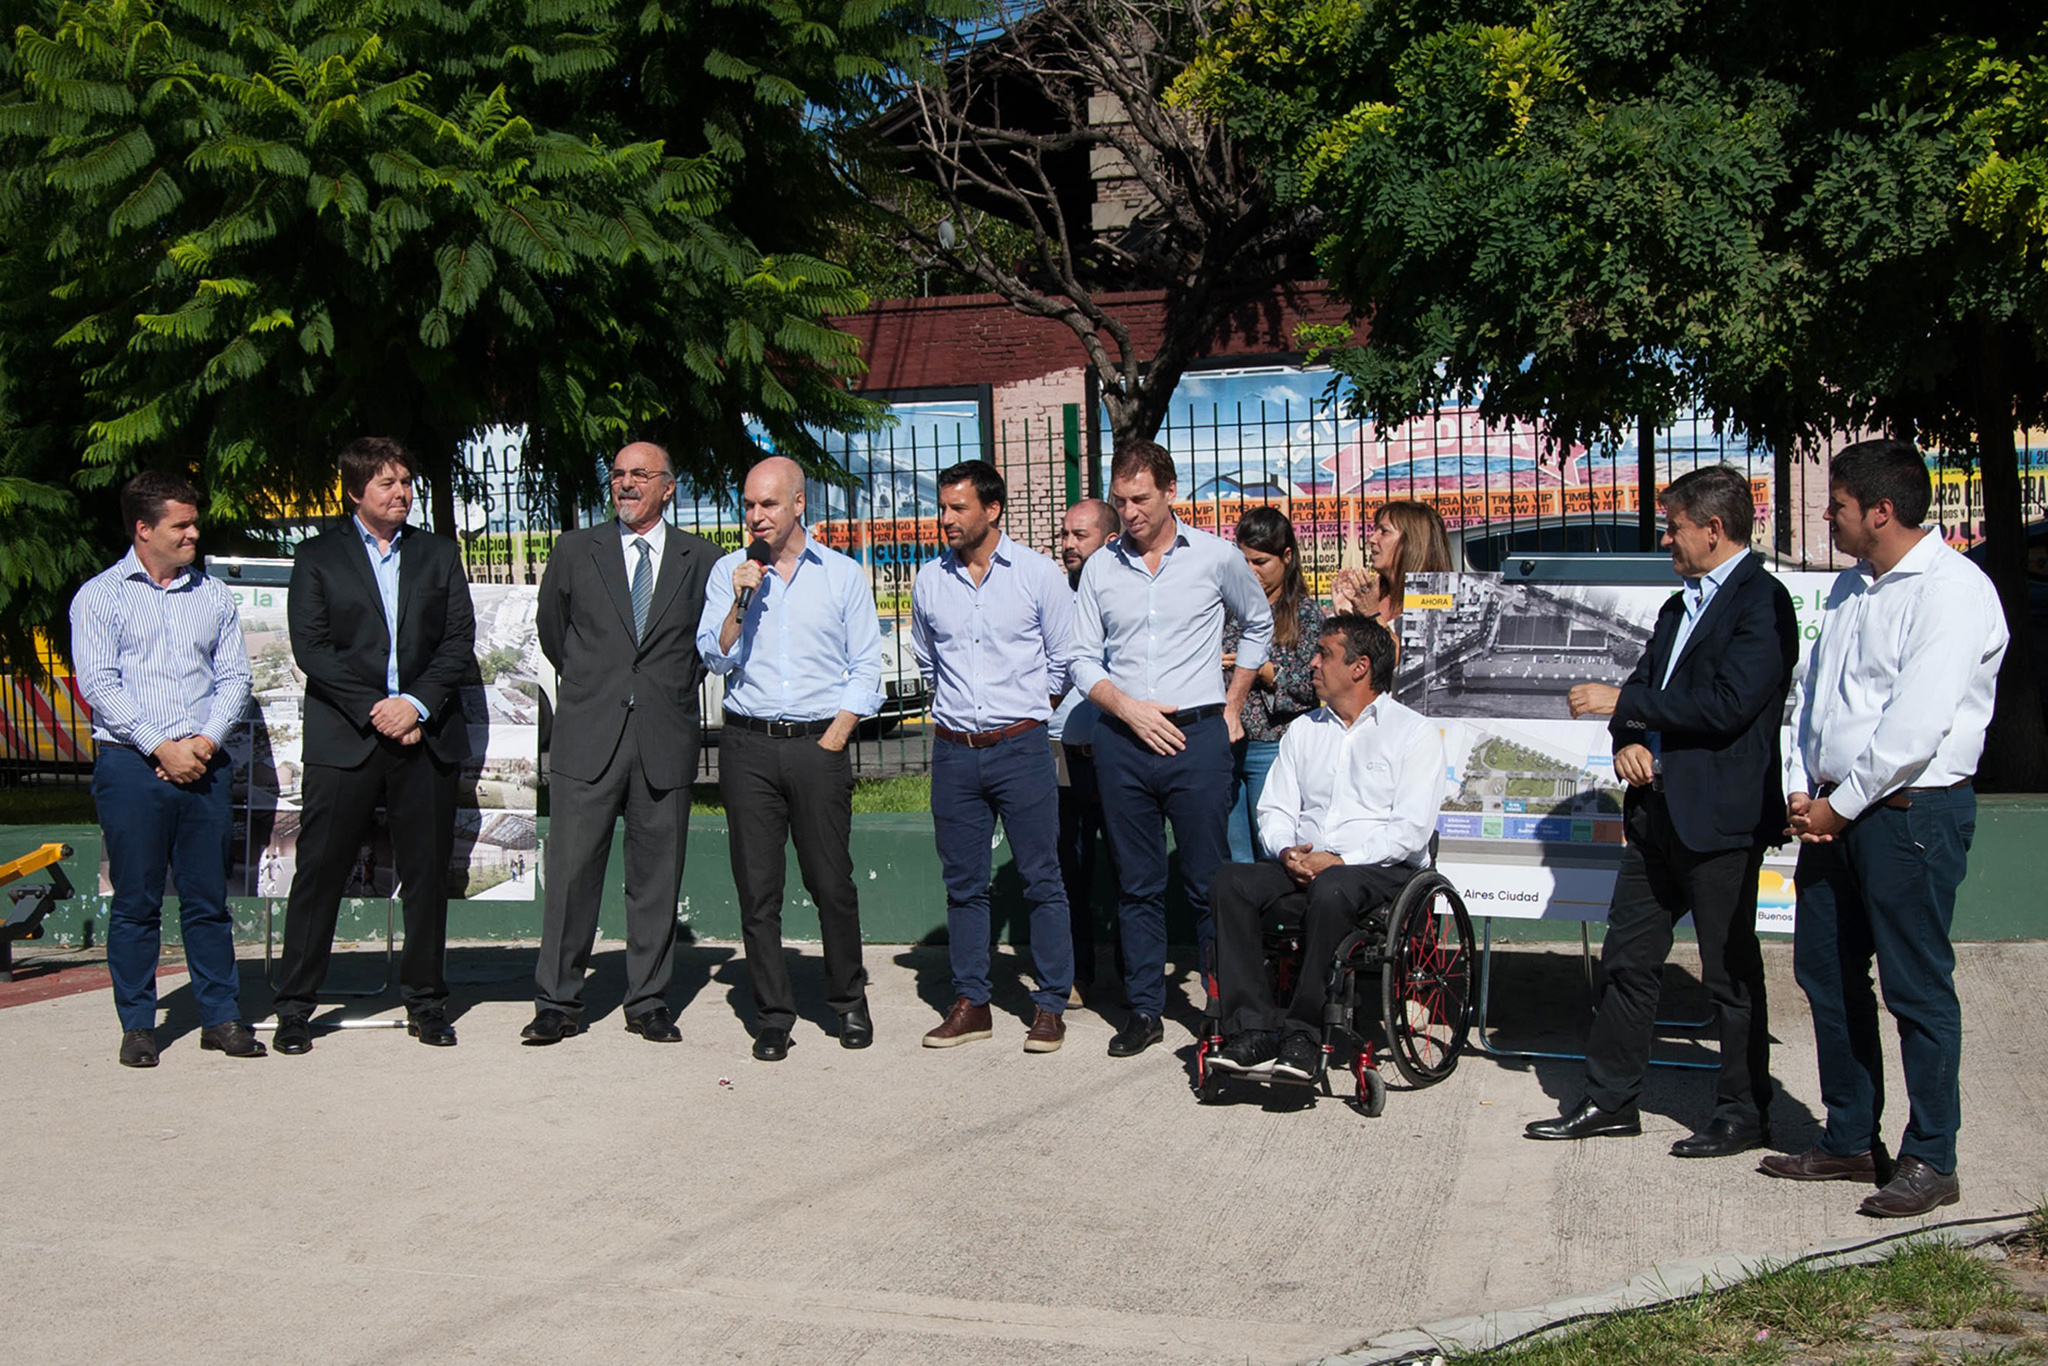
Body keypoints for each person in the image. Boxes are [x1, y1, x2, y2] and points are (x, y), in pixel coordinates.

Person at [1524, 465, 1798, 1157]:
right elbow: (1645, 688)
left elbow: (1731, 705)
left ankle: (1742, 1111)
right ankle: (1612, 1099)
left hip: (1720, 821)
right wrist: (1628, 742)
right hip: (1656, 817)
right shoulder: (1679, 608)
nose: (1666, 539)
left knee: (1729, 975)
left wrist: (1627, 707)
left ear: (1713, 529)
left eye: (1674, 527)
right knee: (1627, 961)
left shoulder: (1762, 603)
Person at [1768, 439, 2007, 1218]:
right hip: (1835, 811)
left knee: (1915, 987)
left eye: (1837, 505)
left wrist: (1844, 803)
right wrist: (1806, 786)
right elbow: (1815, 695)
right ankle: (1848, 1137)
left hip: (1908, 816)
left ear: (1882, 510)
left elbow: (1915, 725)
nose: (1828, 516)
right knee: (1826, 977)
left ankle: (1932, 1157)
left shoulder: (1952, 592)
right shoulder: (1850, 587)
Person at [1070, 439, 1273, 1057]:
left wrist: (1234, 704)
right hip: (1124, 740)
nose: (1128, 512)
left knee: (1208, 880)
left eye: (1140, 499)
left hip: (1198, 735)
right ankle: (1144, 1009)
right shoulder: (1102, 567)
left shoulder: (1215, 558)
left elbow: (1258, 623)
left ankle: (1222, 1004)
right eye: (1120, 500)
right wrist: (1126, 708)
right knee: (1135, 882)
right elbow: (1081, 657)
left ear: (1170, 492)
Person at [272, 438, 476, 1053]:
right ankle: (295, 1007)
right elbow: (313, 651)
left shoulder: (438, 554)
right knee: (319, 874)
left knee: (425, 876)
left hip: (425, 736)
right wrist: (377, 710)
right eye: (387, 483)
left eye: (407, 482)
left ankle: (427, 1003)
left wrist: (413, 704)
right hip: (347, 739)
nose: (402, 493)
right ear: (356, 491)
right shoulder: (317, 557)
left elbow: (457, 639)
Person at [520, 441, 720, 1045]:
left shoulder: (702, 558)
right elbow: (554, 633)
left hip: (664, 736)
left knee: (656, 878)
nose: (626, 484)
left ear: (668, 486)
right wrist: (598, 687)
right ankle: (557, 1002)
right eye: (617, 475)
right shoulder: (576, 551)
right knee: (572, 874)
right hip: (588, 736)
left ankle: (649, 1001)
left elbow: (706, 647)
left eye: (640, 475)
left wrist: (656, 692)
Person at [72, 470, 266, 1067]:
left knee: (208, 901)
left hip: (203, 762)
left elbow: (235, 676)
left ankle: (221, 1018)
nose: (193, 532)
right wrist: (162, 747)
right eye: (180, 524)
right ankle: (138, 1026)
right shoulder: (100, 596)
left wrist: (203, 743)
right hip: (131, 765)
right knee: (137, 901)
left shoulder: (210, 595)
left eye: (193, 521)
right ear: (143, 529)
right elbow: (100, 684)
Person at [697, 455, 883, 1062]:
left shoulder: (842, 575)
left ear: (799, 504)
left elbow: (868, 669)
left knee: (831, 881)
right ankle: (773, 1014)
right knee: (758, 889)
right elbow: (714, 657)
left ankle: (847, 1000)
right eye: (748, 505)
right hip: (748, 744)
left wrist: (836, 735)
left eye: (768, 504)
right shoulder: (731, 571)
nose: (756, 516)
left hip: (816, 744)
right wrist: (735, 605)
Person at [1207, 613, 1443, 1077]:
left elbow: (1410, 831)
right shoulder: (1304, 730)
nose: (1311, 663)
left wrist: (1339, 860)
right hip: (1308, 867)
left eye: (1324, 654)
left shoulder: (1412, 734)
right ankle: (1252, 1029)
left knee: (1334, 887)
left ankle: (1303, 1034)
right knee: (1229, 881)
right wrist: (1286, 853)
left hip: (1380, 871)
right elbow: (1274, 808)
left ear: (1360, 668)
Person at [910, 460, 1076, 1052]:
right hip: (955, 752)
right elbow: (929, 662)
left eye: (958, 508)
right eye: (942, 507)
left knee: (1041, 878)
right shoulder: (929, 580)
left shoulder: (1036, 576)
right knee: (963, 884)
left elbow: (1063, 660)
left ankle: (1051, 1002)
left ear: (992, 510)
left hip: (1022, 747)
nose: (945, 518)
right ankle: (972, 1001)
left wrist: (1027, 714)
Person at [1223, 507, 1325, 863]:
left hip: (1274, 746)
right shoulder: (1227, 608)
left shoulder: (1306, 614)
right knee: (1236, 858)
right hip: (1226, 745)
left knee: (1273, 849)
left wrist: (1262, 670)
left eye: (1261, 561)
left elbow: (1312, 687)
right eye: (1245, 560)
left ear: (1286, 557)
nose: (1252, 571)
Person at [1052, 499, 1121, 1000]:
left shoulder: (1125, 594)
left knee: (1128, 869)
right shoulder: (1055, 597)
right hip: (1060, 753)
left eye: (1081, 535)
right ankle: (1078, 971)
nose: (1068, 544)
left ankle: (1131, 971)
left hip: (1117, 753)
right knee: (1068, 869)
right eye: (1065, 535)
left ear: (1110, 540)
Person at [1331, 500, 1453, 622]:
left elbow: (1418, 640)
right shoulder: (1374, 598)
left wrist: (1372, 616)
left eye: (1384, 531)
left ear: (1410, 542)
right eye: (1375, 531)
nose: (1372, 539)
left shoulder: (1436, 598)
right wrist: (1347, 618)